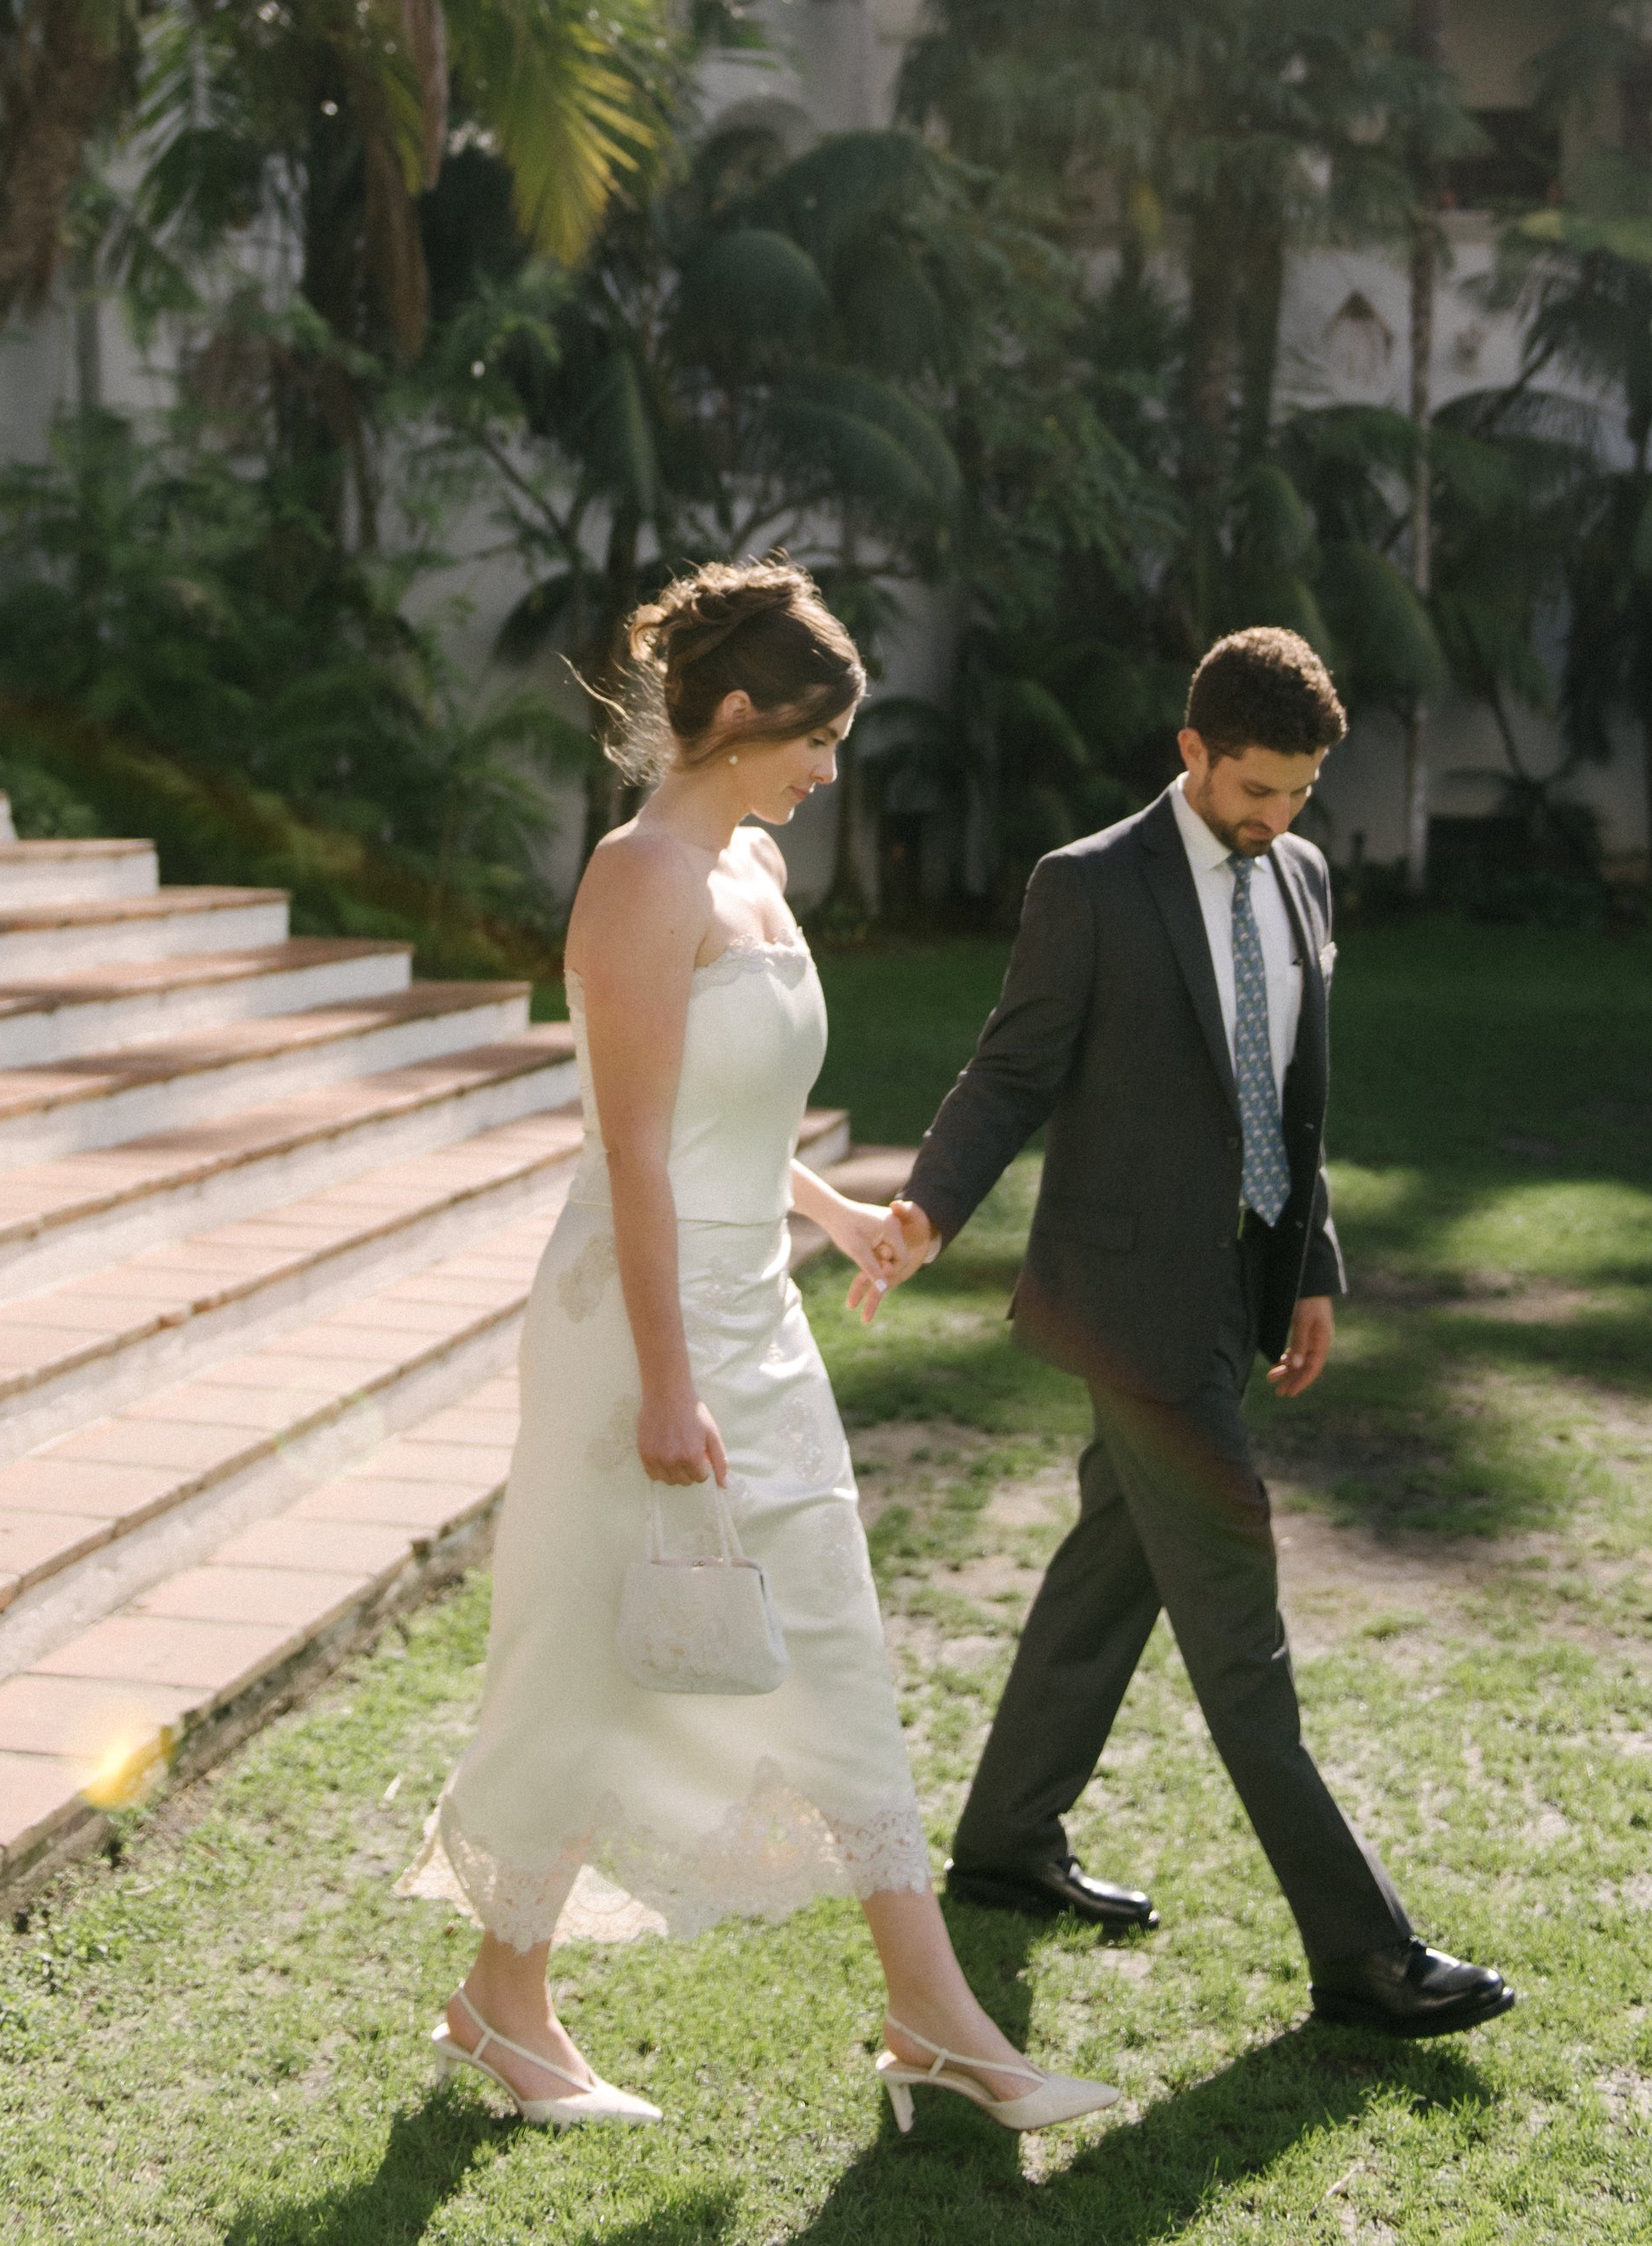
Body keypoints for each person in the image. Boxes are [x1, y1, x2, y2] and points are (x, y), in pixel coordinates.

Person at [401, 558, 1119, 2135]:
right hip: (642, 1321)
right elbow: (635, 1149)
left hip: (753, 1306)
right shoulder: (640, 880)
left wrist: (840, 1213)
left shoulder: (752, 871)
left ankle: (542, 2000)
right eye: (815, 737)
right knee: (602, 1644)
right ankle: (546, 2000)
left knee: (815, 1633)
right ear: (734, 716)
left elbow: (731, 1118)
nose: (829, 768)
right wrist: (666, 1382)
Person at [860, 627, 1515, 2042]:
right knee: (1241, 1633)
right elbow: (1013, 1067)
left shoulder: (1306, 878)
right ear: (1192, 752)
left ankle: (1003, 1838)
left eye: (1298, 794)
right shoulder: (1088, 886)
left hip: (1241, 1288)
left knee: (1115, 1563)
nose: (1277, 818)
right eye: (1257, 789)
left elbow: (1288, 1095)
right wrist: (925, 1207)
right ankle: (1366, 1954)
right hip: (1132, 1307)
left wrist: (1313, 1259)